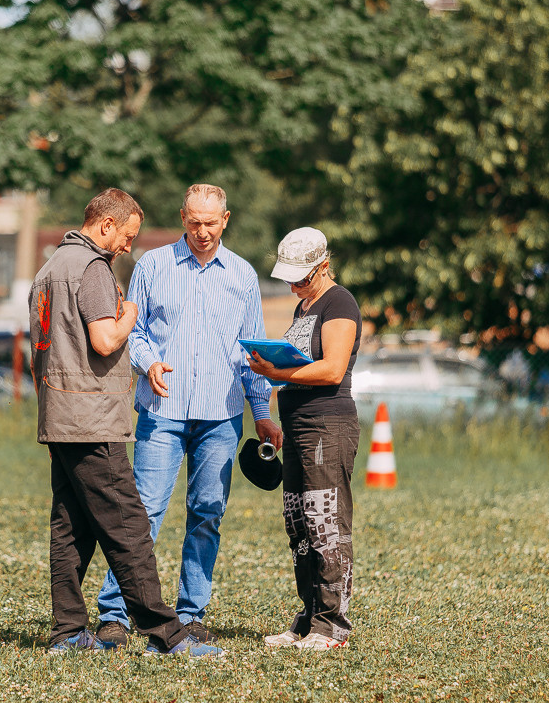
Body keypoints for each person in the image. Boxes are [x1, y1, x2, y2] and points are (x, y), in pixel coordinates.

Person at [28, 188, 221, 658]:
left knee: (71, 528)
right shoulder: (92, 267)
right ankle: (167, 635)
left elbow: (41, 351)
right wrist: (130, 312)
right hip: (92, 420)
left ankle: (68, 633)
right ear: (106, 224)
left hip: (59, 415)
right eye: (128, 235)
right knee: (129, 527)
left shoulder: (49, 268)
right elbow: (105, 338)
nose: (129, 245)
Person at [93, 184, 283, 647]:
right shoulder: (152, 266)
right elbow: (133, 331)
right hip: (163, 411)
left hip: (221, 415)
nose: (202, 231)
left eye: (211, 223)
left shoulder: (242, 275)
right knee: (143, 512)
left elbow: (252, 352)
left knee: (207, 512)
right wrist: (148, 363)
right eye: (194, 222)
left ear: (225, 219)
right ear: (182, 218)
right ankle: (115, 614)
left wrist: (261, 412)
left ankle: (190, 613)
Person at [246, 227, 361, 651]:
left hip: (327, 426)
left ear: (323, 266)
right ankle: (309, 617)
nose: (294, 286)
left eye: (301, 278)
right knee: (299, 524)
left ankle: (332, 625)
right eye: (288, 278)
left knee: (325, 522)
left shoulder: (339, 303)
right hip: (296, 426)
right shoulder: (304, 306)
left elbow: (332, 369)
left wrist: (276, 373)